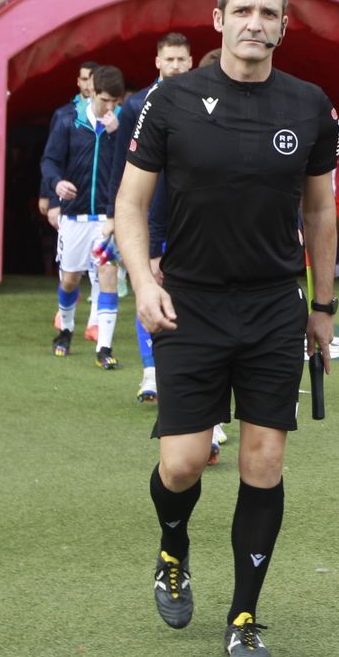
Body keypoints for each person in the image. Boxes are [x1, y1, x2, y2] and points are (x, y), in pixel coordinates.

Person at [117, 0, 339, 657]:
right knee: (183, 464)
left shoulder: (309, 105)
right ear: (218, 19)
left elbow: (321, 212)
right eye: (242, 10)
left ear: (282, 24)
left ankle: (244, 618)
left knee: (263, 462)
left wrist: (324, 306)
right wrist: (142, 283)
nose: (255, 23)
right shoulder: (171, 99)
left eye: (268, 13)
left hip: (275, 305)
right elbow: (129, 203)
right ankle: (173, 546)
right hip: (191, 304)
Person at [113, 33, 194, 405]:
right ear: (157, 62)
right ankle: (150, 374)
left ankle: (184, 375)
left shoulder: (203, 100)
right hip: (147, 218)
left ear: (190, 62)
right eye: (170, 59)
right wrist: (113, 216)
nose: (176, 65)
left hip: (189, 219)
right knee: (147, 284)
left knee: (188, 294)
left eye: (182, 59)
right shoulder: (134, 108)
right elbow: (121, 168)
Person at [41, 64, 127, 368]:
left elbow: (133, 165)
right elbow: (50, 161)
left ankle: (104, 348)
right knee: (69, 279)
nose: (110, 107)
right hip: (74, 217)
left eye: (115, 102)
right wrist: (56, 185)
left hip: (106, 219)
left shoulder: (122, 125)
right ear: (91, 91)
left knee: (107, 276)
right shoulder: (68, 120)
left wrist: (119, 135)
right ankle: (65, 329)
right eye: (105, 100)